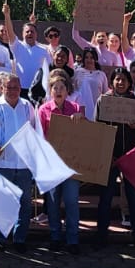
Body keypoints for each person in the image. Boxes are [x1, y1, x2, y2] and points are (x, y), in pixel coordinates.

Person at [94, 68, 135, 250]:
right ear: (112, 82)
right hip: (110, 156)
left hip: (130, 155)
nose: (120, 83)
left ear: (129, 82)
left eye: (124, 80)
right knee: (106, 197)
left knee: (134, 198)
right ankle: (101, 236)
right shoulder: (103, 100)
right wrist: (105, 155)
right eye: (117, 79)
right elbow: (98, 128)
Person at [0, 72, 37, 252]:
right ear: (2, 88)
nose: (12, 91)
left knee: (25, 202)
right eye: (9, 87)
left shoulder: (28, 106)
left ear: (20, 88)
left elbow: (34, 130)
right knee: (0, 202)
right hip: (1, 163)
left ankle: (19, 237)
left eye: (16, 87)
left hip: (23, 164)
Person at [38, 74, 85, 253]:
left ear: (67, 92)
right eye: (54, 88)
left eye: (61, 88)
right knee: (52, 202)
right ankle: (55, 237)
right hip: (51, 164)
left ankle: (72, 239)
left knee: (72, 200)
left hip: (70, 164)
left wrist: (81, 119)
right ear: (50, 91)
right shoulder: (43, 110)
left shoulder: (75, 108)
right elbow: (40, 135)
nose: (58, 91)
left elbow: (85, 135)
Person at [2, 4, 51, 90]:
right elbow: (10, 32)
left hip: (38, 90)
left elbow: (49, 70)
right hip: (20, 89)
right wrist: (7, 15)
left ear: (36, 34)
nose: (29, 33)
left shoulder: (44, 50)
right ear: (22, 34)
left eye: (32, 32)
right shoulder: (17, 46)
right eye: (27, 32)